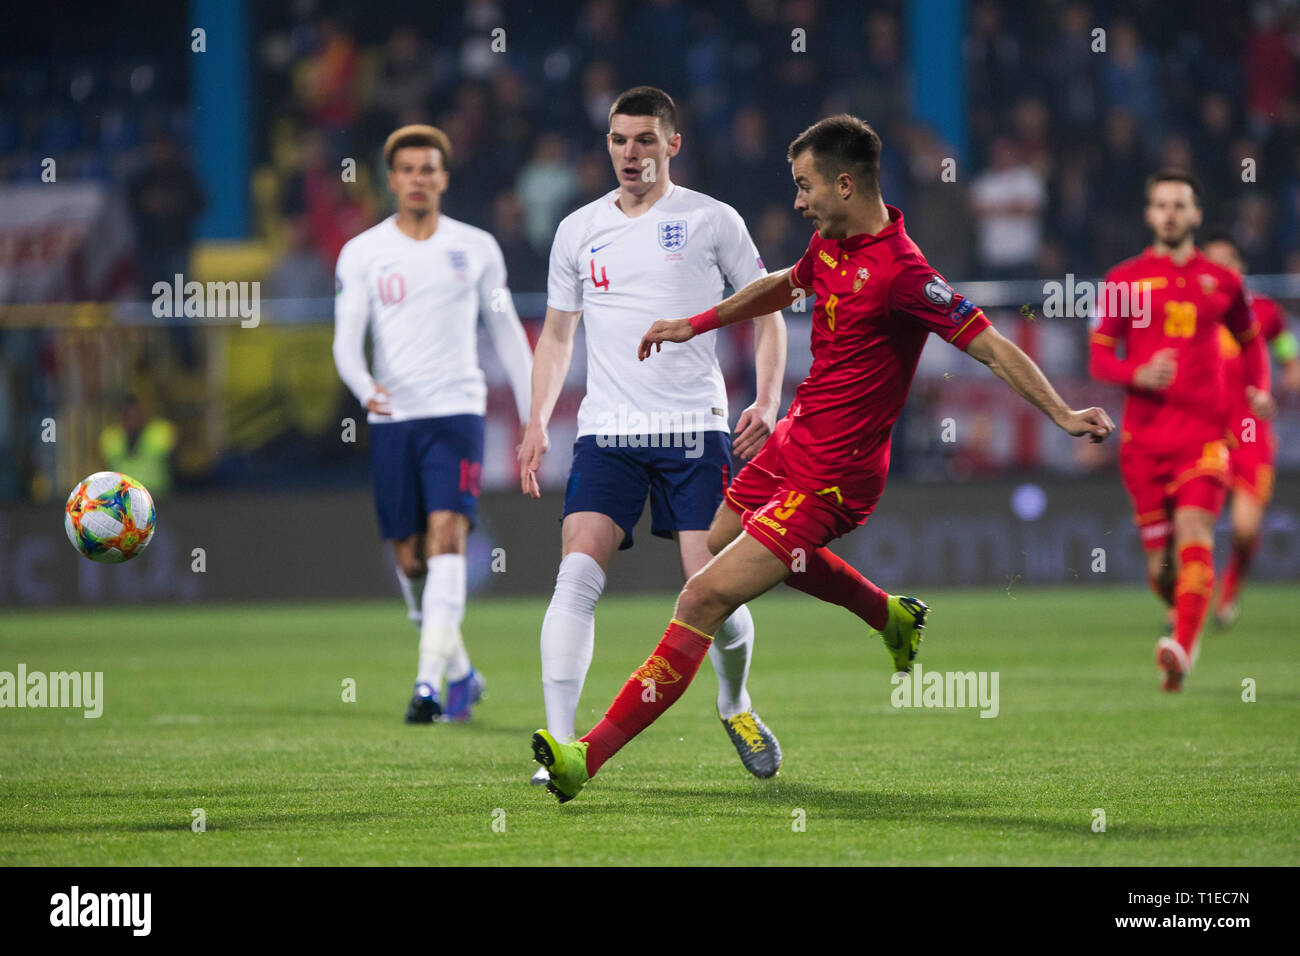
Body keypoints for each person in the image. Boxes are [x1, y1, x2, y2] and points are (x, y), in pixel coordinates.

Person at [530, 114, 1114, 803]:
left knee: (702, 594)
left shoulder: (903, 274)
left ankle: (583, 758)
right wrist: (698, 321)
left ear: (845, 184)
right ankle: (888, 615)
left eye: (806, 187)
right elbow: (782, 285)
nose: (799, 201)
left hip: (836, 475)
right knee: (718, 540)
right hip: (791, 443)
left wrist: (1064, 414)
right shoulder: (829, 243)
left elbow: (990, 345)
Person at [517, 87, 788, 785]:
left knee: (712, 589)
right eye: (617, 140)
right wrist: (537, 419)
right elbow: (555, 334)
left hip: (695, 430)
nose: (629, 154)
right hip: (607, 432)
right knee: (577, 568)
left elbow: (771, 309)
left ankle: (735, 703)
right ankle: (559, 742)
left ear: (673, 144)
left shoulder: (711, 219)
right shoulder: (578, 229)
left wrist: (765, 397)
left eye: (644, 140)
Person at [333, 124, 533, 722]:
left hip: (457, 414)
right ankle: (463, 675)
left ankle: (427, 685)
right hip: (396, 419)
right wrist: (366, 389)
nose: (419, 179)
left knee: (449, 537)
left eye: (429, 169)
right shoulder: (362, 253)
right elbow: (346, 340)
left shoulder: (476, 248)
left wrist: (533, 418)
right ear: (391, 179)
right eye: (408, 170)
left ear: (445, 178)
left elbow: (506, 333)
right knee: (410, 558)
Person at [1089, 171, 1274, 692]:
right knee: (1162, 568)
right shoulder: (1124, 280)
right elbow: (1100, 358)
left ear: (1195, 215)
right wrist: (1137, 374)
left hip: (1204, 438)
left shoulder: (1222, 281)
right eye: (1161, 205)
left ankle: (1182, 648)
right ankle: (1185, 617)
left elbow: (1252, 339)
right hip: (1144, 445)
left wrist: (1259, 388)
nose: (1170, 213)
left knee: (1196, 537)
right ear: (1150, 215)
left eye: (1180, 205)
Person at [1201, 235, 1300, 627]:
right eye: (1214, 263)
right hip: (1204, 427)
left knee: (1244, 529)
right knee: (1194, 522)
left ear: (1242, 267)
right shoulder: (1191, 312)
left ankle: (1230, 590)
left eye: (1230, 261)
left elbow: (1285, 347)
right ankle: (1187, 604)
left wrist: (1291, 370)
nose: (1223, 270)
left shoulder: (1264, 310)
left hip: (1250, 429)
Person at [100, 395, 176, 498]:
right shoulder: (111, 439)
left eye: (136, 415)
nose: (133, 420)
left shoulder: (159, 434)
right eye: (128, 416)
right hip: (122, 498)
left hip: (156, 496)